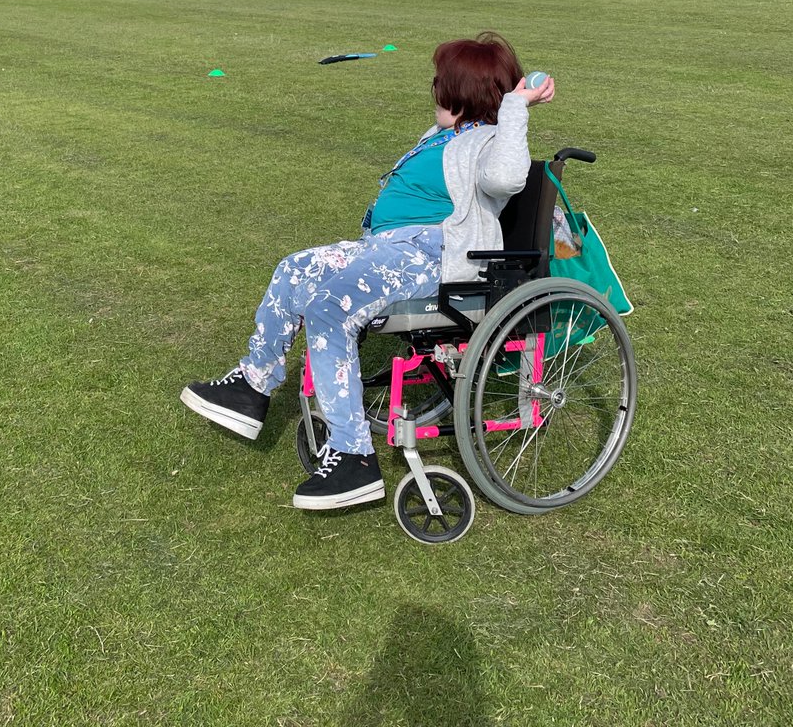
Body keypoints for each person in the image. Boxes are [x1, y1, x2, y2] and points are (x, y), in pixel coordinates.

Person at [180, 32, 555, 511]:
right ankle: (253, 386)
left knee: (330, 309)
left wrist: (516, 107)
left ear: (458, 96)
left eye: (441, 82)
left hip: (429, 253)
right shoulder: (448, 133)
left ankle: (355, 456)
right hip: (387, 247)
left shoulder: (487, 141)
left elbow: (506, 177)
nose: (433, 87)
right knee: (293, 269)